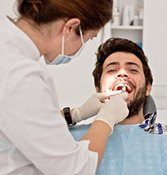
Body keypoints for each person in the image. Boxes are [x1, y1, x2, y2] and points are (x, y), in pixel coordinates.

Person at [0, 1, 132, 175]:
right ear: (70, 27)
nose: (122, 74)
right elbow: (74, 169)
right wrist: (106, 119)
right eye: (89, 38)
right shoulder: (21, 75)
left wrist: (75, 114)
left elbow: (23, 122)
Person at [70, 38, 167, 175]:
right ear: (98, 88)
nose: (122, 73)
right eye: (112, 70)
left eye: (133, 70)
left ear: (148, 88)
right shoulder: (72, 139)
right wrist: (74, 114)